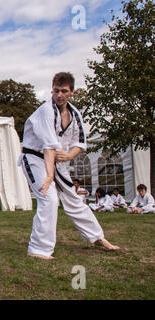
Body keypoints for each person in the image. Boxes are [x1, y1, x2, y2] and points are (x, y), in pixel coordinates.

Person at [19, 72, 119, 260]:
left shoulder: (74, 113)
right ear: (52, 90)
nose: (59, 95)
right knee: (49, 199)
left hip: (57, 161)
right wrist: (49, 177)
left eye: (64, 91)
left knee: (73, 199)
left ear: (72, 92)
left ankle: (96, 237)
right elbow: (48, 147)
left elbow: (80, 143)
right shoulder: (46, 111)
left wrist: (70, 154)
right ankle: (38, 249)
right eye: (56, 91)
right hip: (35, 158)